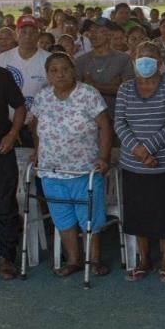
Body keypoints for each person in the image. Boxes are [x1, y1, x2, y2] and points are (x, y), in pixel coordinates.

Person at [30, 52, 112, 277]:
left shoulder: (88, 94)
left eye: (65, 69)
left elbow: (105, 126)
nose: (60, 74)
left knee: (89, 218)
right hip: (51, 171)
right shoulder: (43, 97)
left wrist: (104, 157)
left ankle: (93, 260)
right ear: (47, 74)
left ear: (73, 70)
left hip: (84, 170)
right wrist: (38, 151)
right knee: (62, 217)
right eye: (54, 70)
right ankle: (74, 260)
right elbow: (35, 127)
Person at [115, 42, 165, 284]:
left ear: (160, 61)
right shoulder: (124, 89)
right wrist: (139, 151)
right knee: (139, 213)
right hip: (134, 163)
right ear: (133, 60)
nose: (145, 61)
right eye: (140, 57)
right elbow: (119, 123)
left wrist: (149, 148)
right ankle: (144, 260)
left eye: (151, 57)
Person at [0, 34, 26, 280]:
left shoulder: (1, 75)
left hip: (0, 152)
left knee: (5, 207)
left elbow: (19, 107)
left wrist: (12, 134)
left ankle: (8, 258)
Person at [0, 16, 49, 130]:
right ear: (16, 35)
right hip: (6, 123)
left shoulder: (49, 59)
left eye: (33, 32)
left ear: (39, 35)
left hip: (41, 124)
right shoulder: (2, 59)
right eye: (23, 32)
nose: (28, 36)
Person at [75, 20, 135, 119]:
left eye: (97, 31)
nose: (92, 35)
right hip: (88, 118)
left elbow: (127, 91)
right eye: (90, 31)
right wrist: (111, 87)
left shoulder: (123, 59)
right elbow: (77, 92)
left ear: (110, 34)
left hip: (117, 116)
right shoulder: (80, 61)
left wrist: (93, 85)